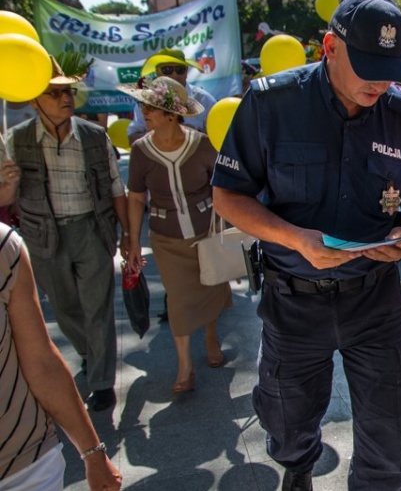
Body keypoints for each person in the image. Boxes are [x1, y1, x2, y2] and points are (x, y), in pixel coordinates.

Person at [211, 0, 401, 491]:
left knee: (391, 422)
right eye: (368, 66)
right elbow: (228, 196)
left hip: (374, 298)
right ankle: (298, 465)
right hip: (293, 297)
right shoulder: (271, 103)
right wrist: (294, 238)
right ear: (329, 47)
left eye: (390, 69)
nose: (380, 82)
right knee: (285, 417)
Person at [3, 57, 130, 413]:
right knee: (64, 307)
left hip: (91, 229)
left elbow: (117, 188)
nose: (65, 99)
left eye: (67, 92)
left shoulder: (94, 135)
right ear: (34, 100)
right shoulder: (16, 139)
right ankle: (91, 354)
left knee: (98, 307)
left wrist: (129, 236)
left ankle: (102, 381)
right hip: (43, 236)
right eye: (54, 93)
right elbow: (5, 201)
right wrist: (9, 184)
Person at [118, 77, 231, 394]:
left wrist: (226, 224)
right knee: (178, 299)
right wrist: (133, 241)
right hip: (166, 238)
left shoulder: (203, 143)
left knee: (211, 285)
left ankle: (211, 337)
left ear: (171, 114)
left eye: (149, 107)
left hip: (205, 232)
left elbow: (221, 185)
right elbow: (137, 197)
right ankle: (185, 365)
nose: (143, 112)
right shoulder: (141, 150)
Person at [0, 222, 122, 490]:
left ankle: (101, 378)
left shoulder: (4, 247)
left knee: (94, 310)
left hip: (26, 465)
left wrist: (93, 454)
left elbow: (41, 362)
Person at [127, 48, 218, 144]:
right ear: (158, 73)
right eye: (167, 70)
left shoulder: (205, 100)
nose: (174, 75)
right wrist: (158, 135)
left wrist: (191, 136)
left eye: (180, 70)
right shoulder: (145, 101)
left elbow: (221, 139)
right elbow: (132, 138)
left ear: (186, 72)